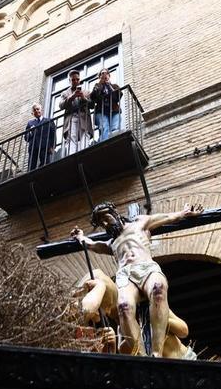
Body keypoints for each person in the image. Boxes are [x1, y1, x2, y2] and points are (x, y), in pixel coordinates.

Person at [71, 201, 203, 357]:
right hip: (125, 275)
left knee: (158, 289)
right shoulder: (110, 244)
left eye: (106, 218)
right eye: (102, 223)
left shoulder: (139, 223)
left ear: (115, 213)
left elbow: (167, 217)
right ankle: (140, 355)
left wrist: (184, 213)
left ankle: (156, 352)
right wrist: (80, 237)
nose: (106, 224)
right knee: (124, 306)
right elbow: (91, 245)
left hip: (145, 267)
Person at [79, 270, 197, 359]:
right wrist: (113, 343)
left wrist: (157, 319)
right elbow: (128, 355)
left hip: (184, 360)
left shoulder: (150, 306)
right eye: (114, 316)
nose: (114, 317)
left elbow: (184, 331)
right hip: (164, 374)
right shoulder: (123, 332)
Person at [58, 69, 93, 155]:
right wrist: (72, 97)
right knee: (71, 136)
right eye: (73, 80)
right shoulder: (65, 93)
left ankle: (84, 153)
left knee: (84, 135)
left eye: (77, 79)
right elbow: (61, 105)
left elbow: (92, 105)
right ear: (70, 81)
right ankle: (72, 155)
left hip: (83, 118)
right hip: (71, 118)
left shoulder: (86, 92)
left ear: (79, 80)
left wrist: (83, 97)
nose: (75, 81)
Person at [90, 69, 123, 141]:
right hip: (101, 112)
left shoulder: (114, 86)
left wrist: (109, 85)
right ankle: (105, 143)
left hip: (114, 110)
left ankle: (115, 143)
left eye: (106, 73)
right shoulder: (97, 86)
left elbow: (118, 96)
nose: (104, 75)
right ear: (99, 77)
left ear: (109, 75)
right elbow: (93, 97)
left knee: (115, 127)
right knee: (105, 127)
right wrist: (99, 84)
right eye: (102, 74)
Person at [25, 104, 56, 170]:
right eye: (34, 110)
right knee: (31, 167)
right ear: (32, 113)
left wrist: (52, 146)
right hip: (33, 146)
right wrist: (31, 131)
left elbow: (53, 134)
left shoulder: (48, 120)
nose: (36, 111)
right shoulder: (30, 123)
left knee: (45, 164)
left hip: (45, 146)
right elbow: (26, 138)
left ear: (41, 110)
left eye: (38, 109)